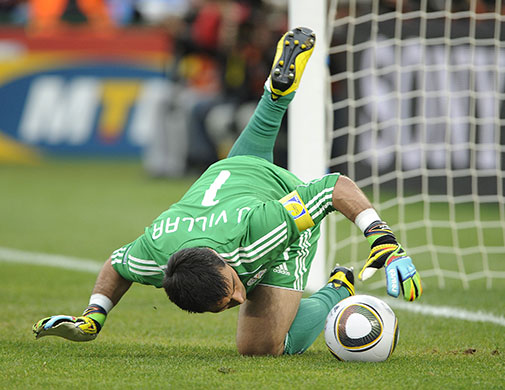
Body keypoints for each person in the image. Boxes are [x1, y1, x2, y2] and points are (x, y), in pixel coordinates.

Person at [33, 27, 423, 356]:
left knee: (260, 347)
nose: (240, 299)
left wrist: (382, 238)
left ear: (222, 261)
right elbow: (117, 265)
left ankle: (337, 289)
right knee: (247, 159)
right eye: (229, 302)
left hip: (277, 206)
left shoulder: (262, 229)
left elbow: (332, 186)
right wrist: (92, 318)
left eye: (234, 288)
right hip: (228, 172)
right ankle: (276, 94)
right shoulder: (155, 252)